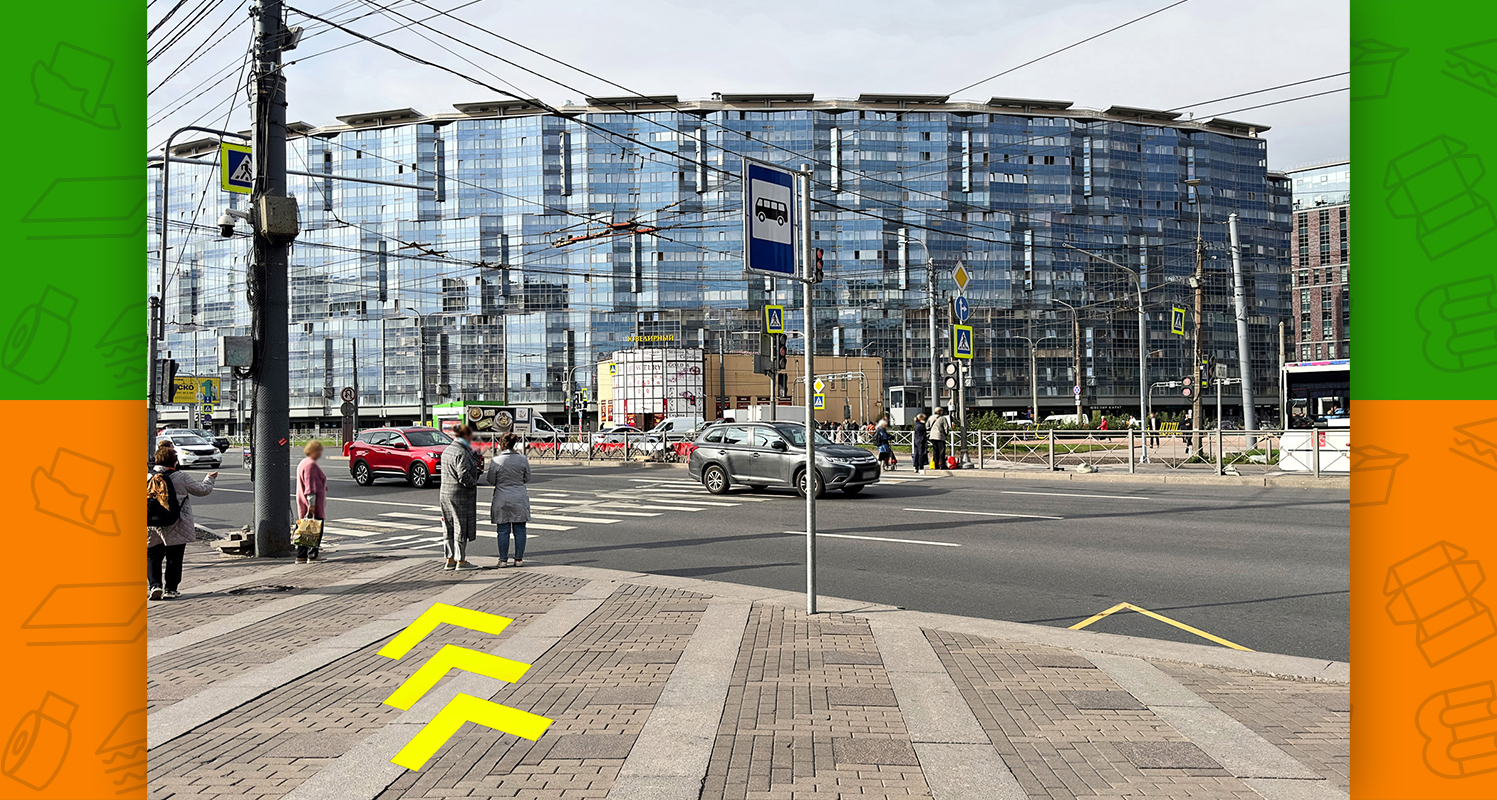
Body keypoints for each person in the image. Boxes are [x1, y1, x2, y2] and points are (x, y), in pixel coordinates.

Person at [147, 444, 217, 601]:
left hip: (151, 524)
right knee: (174, 556)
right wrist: (210, 478)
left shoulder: (148, 476)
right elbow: (202, 490)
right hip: (176, 523)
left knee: (152, 555)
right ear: (175, 462)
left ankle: (155, 586)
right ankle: (170, 589)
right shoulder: (181, 477)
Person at [484, 432, 532, 567]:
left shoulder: (496, 460)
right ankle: (519, 559)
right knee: (520, 530)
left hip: (502, 497)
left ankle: (503, 560)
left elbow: (491, 479)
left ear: (501, 444)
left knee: (503, 530)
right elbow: (527, 478)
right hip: (519, 496)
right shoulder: (522, 459)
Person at [439, 424, 482, 571]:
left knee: (448, 525)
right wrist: (472, 483)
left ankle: (450, 559)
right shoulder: (461, 452)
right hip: (460, 494)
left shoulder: (447, 450)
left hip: (445, 493)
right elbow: (463, 474)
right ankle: (461, 561)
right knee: (461, 526)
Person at [295, 441, 328, 564]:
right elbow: (310, 487)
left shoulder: (303, 462)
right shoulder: (310, 465)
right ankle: (312, 555)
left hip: (303, 502)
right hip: (312, 503)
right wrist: (312, 505)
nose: (320, 453)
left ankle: (301, 555)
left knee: (304, 528)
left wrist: (322, 487)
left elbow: (310, 483)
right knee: (315, 529)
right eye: (319, 450)